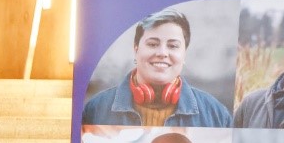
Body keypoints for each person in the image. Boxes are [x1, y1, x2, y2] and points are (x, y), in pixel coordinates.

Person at [82, 8, 232, 127]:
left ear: (184, 54)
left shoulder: (216, 114)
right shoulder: (95, 109)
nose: (162, 53)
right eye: (152, 44)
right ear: (136, 49)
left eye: (173, 46)